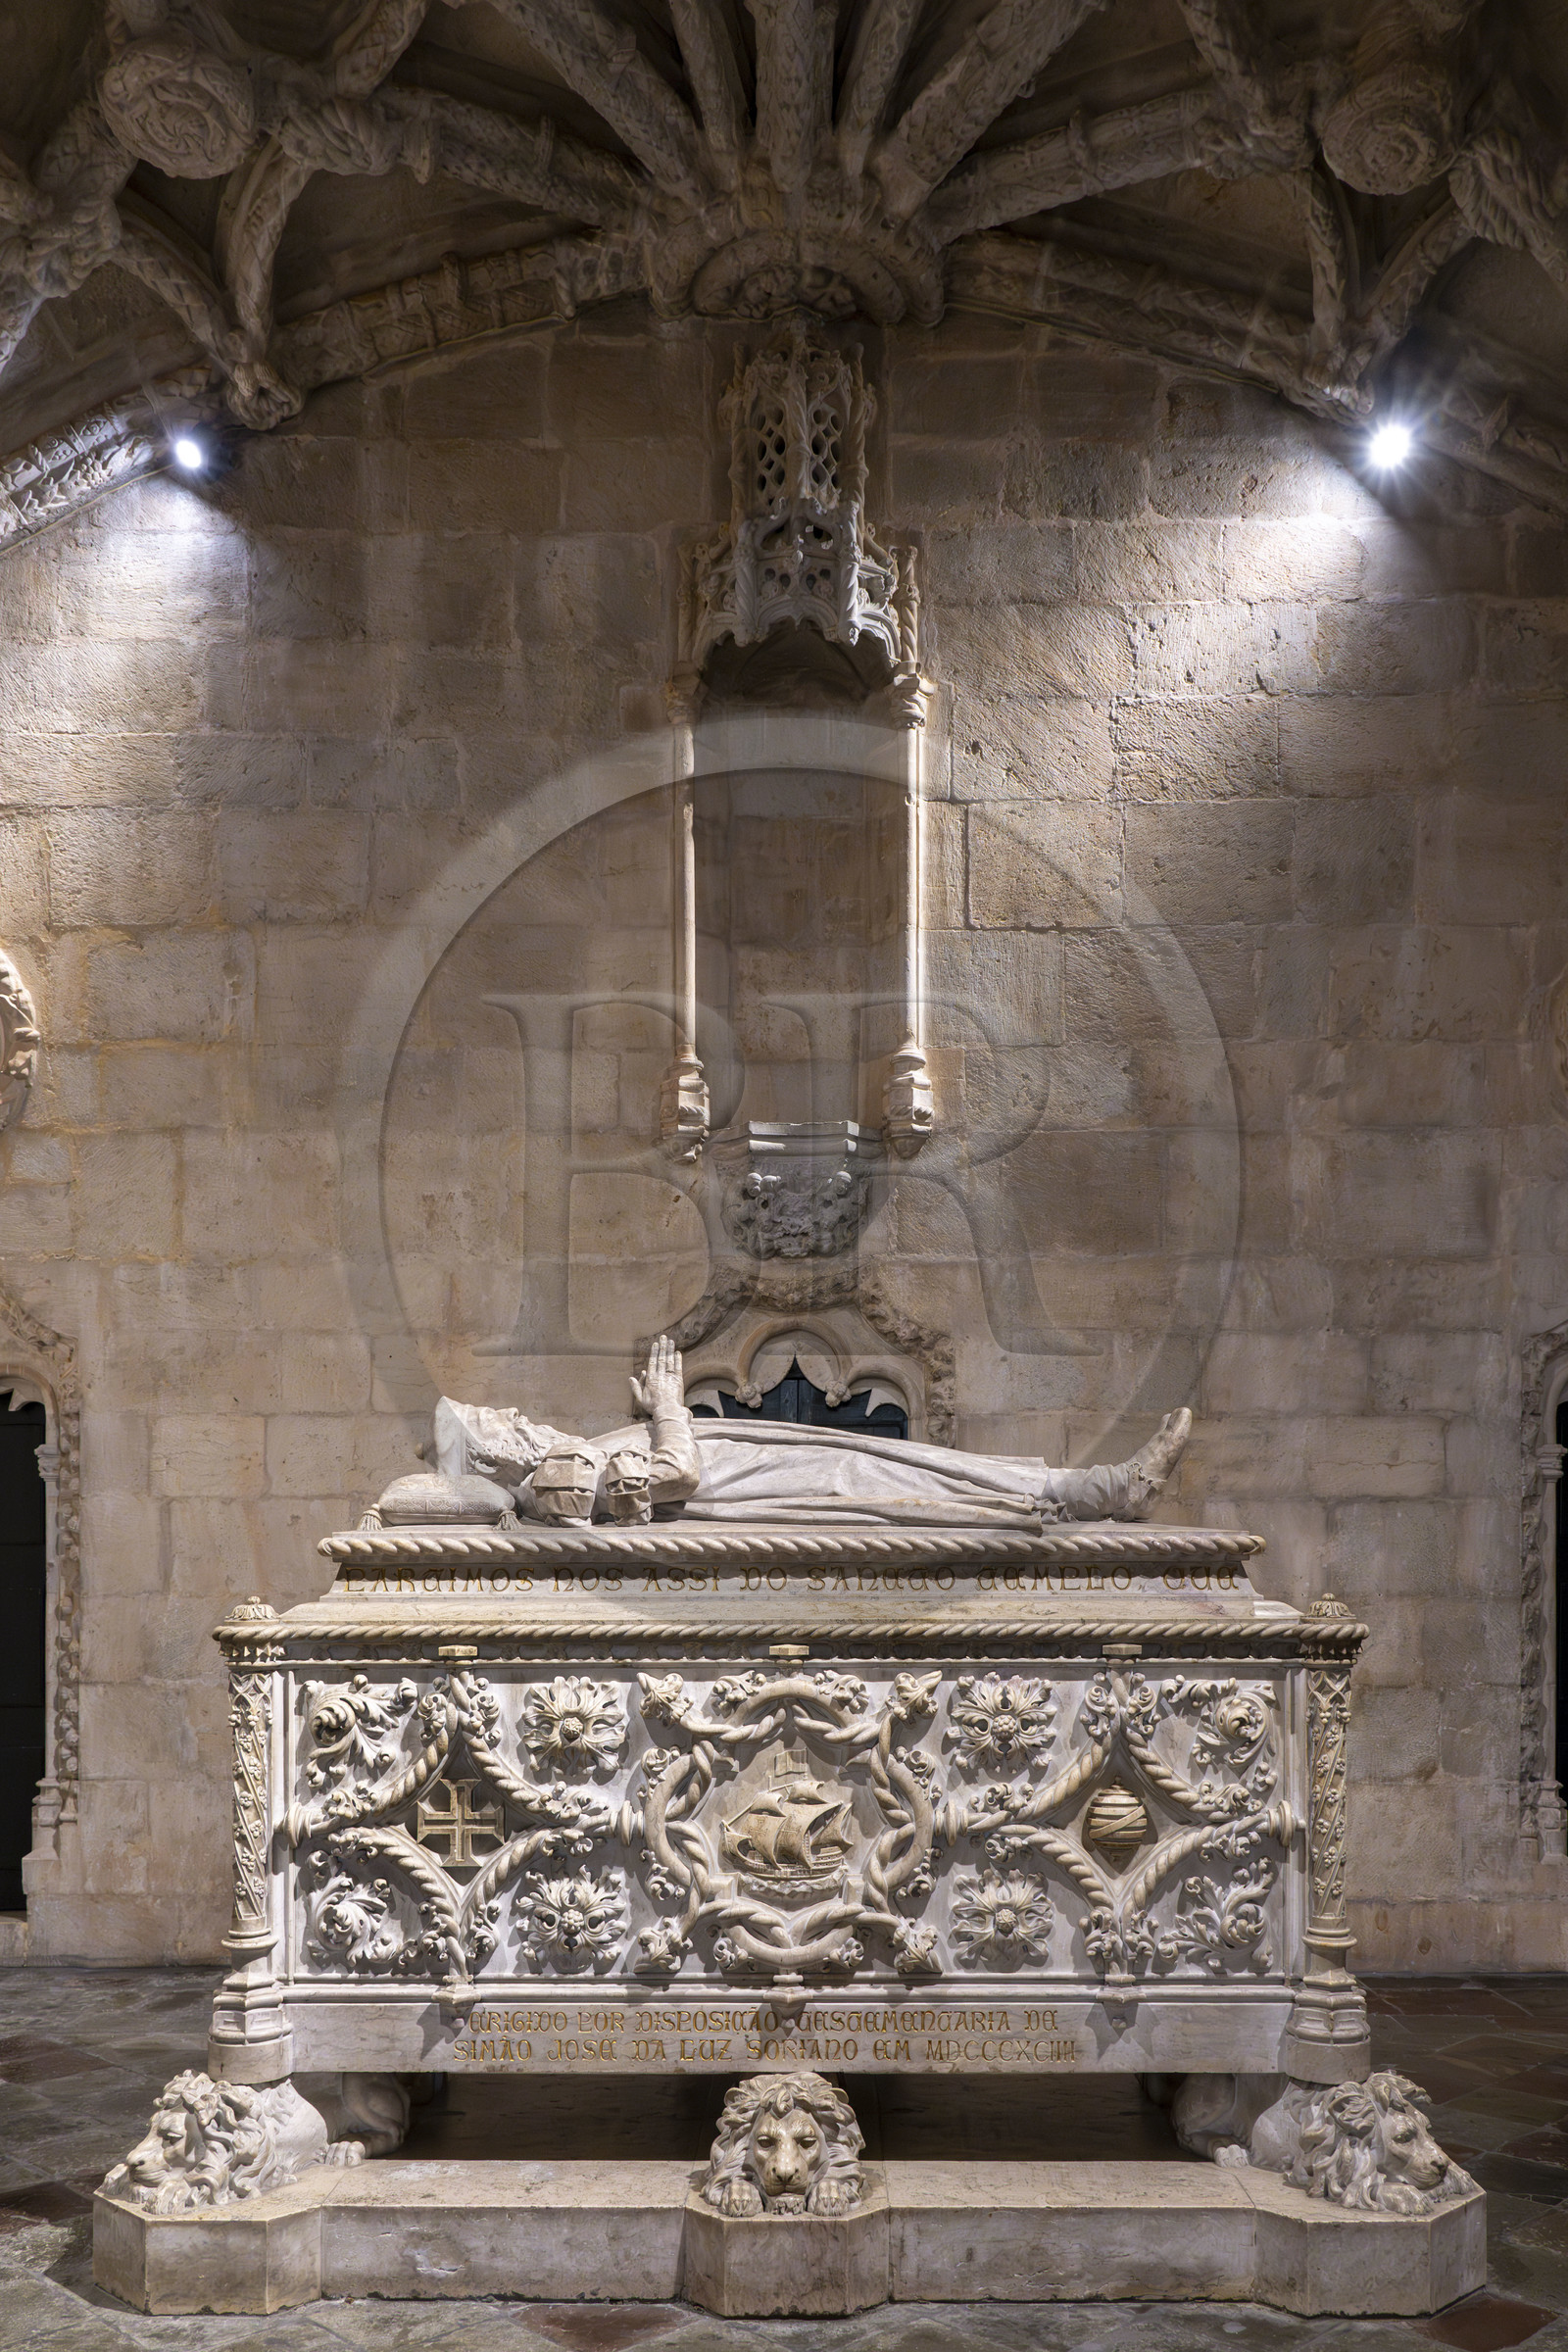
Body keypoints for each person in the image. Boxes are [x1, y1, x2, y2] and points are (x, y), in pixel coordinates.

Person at [432, 1337, 1191, 1532]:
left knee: (921, 1464)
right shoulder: (551, 1478)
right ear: (496, 1456)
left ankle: (1093, 1490)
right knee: (923, 1483)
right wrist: (666, 1406)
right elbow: (676, 1478)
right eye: (499, 1423)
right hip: (754, 1489)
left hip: (759, 1464)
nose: (517, 1418)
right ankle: (1101, 1493)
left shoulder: (561, 1462)